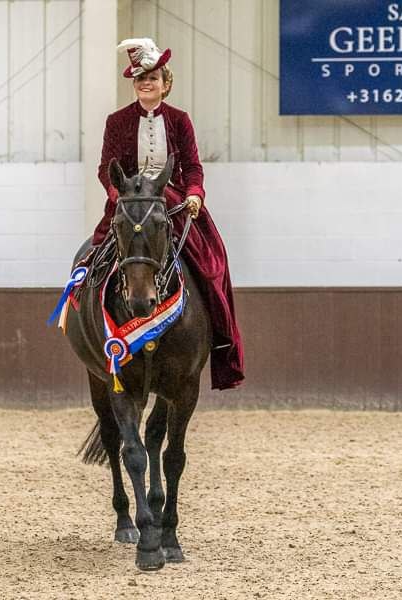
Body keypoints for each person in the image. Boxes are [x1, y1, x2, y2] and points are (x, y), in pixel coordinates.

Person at [92, 38, 244, 391]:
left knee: (212, 264)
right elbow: (105, 169)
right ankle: (89, 327)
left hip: (171, 202)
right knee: (90, 262)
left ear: (166, 83)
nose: (147, 83)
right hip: (128, 202)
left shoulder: (179, 120)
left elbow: (192, 166)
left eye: (154, 78)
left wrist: (194, 194)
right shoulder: (116, 121)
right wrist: (118, 197)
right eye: (141, 79)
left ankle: (219, 336)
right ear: (134, 84)